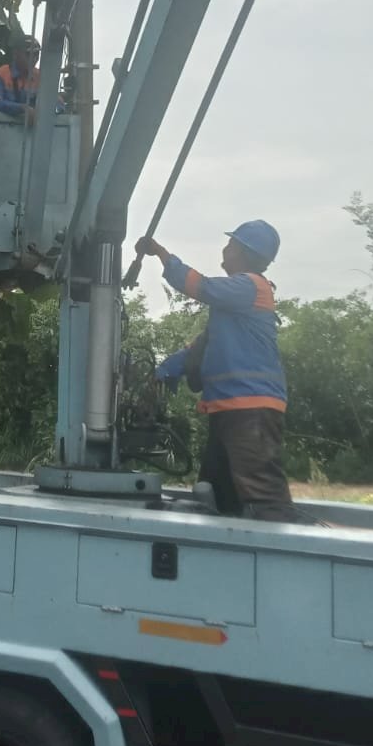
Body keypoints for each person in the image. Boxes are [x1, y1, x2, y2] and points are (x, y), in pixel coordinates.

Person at [138, 220, 301, 523]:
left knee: (265, 501)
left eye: (231, 244)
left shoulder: (251, 285)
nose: (225, 249)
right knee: (217, 496)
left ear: (244, 252)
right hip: (229, 410)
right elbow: (200, 348)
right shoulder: (232, 307)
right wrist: (163, 372)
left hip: (251, 410)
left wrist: (160, 253)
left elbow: (202, 287)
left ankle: (289, 559)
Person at [0, 36, 42, 124]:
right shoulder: (0, 74)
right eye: (28, 54)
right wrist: (22, 108)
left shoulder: (40, 77)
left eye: (36, 54)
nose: (34, 58)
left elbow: (57, 103)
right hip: (1, 130)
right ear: (16, 54)